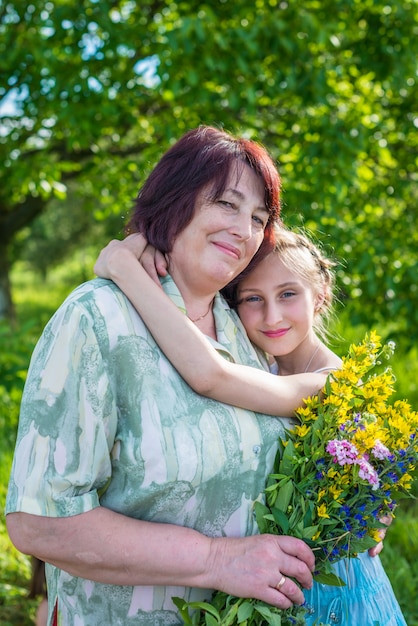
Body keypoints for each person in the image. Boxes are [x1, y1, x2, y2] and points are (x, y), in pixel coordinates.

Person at [6, 125, 330, 626]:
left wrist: (360, 501)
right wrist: (218, 560)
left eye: (258, 218)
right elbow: (39, 523)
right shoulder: (97, 319)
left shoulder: (246, 327)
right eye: (227, 203)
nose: (245, 230)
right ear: (174, 200)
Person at [92, 226, 407, 626]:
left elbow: (210, 375)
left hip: (327, 589)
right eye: (253, 299)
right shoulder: (259, 365)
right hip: (269, 579)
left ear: (321, 294)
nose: (271, 316)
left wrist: (126, 270)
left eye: (288, 294)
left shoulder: (333, 384)